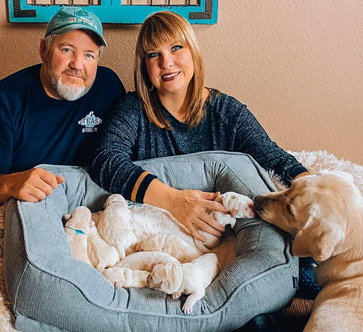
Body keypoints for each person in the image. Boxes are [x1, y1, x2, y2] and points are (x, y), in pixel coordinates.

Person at [90, 11, 309, 242]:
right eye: (154, 54)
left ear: (193, 51)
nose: (166, 63)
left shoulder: (227, 112)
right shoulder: (132, 109)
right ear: (145, 67)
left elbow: (276, 160)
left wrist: (320, 192)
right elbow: (105, 160)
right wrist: (174, 201)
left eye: (176, 48)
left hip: (217, 237)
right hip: (155, 237)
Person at [0, 7, 125, 204]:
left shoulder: (108, 86)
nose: (77, 65)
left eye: (89, 55)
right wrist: (10, 185)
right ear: (43, 50)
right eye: (67, 50)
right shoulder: (1, 102)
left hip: (94, 204)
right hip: (33, 207)